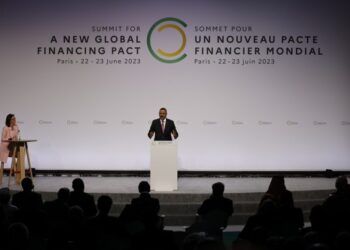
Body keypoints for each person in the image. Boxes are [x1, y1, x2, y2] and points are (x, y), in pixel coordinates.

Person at [0, 114, 20, 185]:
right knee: (18, 151)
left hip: (13, 146)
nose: (15, 120)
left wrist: (16, 128)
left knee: (21, 151)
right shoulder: (5, 128)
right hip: (5, 147)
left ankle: (19, 174)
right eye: (13, 119)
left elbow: (17, 137)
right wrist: (9, 139)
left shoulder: (16, 127)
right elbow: (2, 139)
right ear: (9, 120)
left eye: (15, 119)